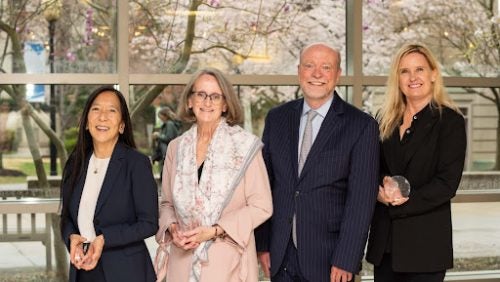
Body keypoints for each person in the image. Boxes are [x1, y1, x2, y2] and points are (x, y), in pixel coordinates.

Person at [255, 42, 380, 282]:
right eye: (309, 66)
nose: (317, 74)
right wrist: (262, 245)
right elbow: (264, 187)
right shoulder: (277, 119)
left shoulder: (361, 126)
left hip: (330, 260)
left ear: (338, 74)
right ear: (299, 70)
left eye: (326, 67)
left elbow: (361, 202)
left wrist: (347, 259)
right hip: (280, 256)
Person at [155, 68, 273, 282]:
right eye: (201, 94)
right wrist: (173, 228)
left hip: (228, 264)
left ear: (225, 104)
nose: (207, 102)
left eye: (215, 96)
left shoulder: (245, 146)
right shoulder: (176, 148)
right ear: (190, 101)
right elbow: (166, 204)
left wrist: (215, 231)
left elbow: (262, 205)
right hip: (182, 261)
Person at [365, 43, 467, 282]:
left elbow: (446, 183)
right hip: (386, 244)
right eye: (404, 71)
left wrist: (400, 203)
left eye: (419, 69)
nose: (412, 77)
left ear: (433, 74)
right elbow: (373, 168)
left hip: (425, 246)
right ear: (397, 78)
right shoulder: (384, 119)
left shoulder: (450, 122)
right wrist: (381, 191)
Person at [60, 86, 159, 282]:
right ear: (86, 122)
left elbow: (149, 224)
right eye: (96, 109)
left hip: (126, 272)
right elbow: (66, 217)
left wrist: (105, 238)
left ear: (122, 125)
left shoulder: (136, 164)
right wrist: (71, 237)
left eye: (111, 110)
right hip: (83, 271)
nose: (102, 117)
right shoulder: (75, 163)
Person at [152, 106, 180, 181]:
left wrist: (158, 136)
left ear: (165, 116)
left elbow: (169, 138)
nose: (160, 119)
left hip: (167, 154)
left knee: (165, 178)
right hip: (168, 154)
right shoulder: (168, 125)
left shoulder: (169, 124)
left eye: (160, 116)